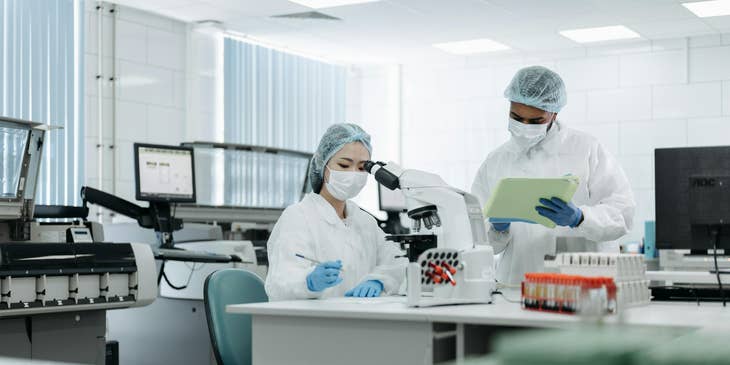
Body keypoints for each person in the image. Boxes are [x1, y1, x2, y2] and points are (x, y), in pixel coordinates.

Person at [471, 66, 636, 285]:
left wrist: (580, 218)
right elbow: (477, 240)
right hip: (517, 284)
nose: (524, 127)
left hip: (584, 284)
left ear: (554, 113)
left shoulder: (586, 149)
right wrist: (497, 229)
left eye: (536, 121)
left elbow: (623, 213)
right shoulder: (495, 162)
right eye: (516, 117)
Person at [265, 123, 407, 301]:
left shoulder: (364, 221)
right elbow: (280, 282)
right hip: (312, 323)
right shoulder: (298, 217)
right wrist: (308, 281)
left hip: (359, 318)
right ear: (323, 166)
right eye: (344, 165)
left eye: (362, 167)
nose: (354, 173)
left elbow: (396, 262)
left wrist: (379, 281)